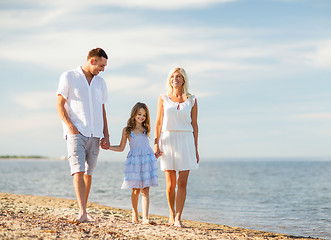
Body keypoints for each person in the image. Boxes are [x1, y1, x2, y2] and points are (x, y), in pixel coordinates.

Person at [56, 48, 110, 223]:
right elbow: (59, 104)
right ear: (92, 61)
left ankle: (84, 210)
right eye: (101, 65)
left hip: (95, 134)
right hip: (76, 133)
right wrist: (71, 126)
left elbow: (102, 109)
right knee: (77, 170)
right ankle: (82, 211)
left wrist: (106, 134)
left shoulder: (101, 83)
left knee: (88, 172)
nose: (102, 69)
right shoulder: (69, 76)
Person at [154, 67, 199, 228]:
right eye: (173, 76)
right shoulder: (164, 98)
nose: (175, 79)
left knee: (183, 182)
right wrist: (156, 143)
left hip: (186, 139)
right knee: (170, 183)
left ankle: (179, 217)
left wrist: (195, 148)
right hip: (168, 139)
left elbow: (194, 124)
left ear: (184, 79)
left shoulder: (192, 99)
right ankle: (171, 213)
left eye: (179, 76)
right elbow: (158, 122)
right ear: (169, 79)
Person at [107, 102, 158, 224]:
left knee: (146, 190)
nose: (141, 117)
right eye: (139, 114)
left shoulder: (146, 129)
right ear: (134, 114)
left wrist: (155, 154)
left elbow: (147, 147)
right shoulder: (127, 130)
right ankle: (135, 214)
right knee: (136, 190)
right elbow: (121, 147)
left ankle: (145, 217)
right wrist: (108, 147)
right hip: (135, 162)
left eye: (144, 115)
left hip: (146, 161)